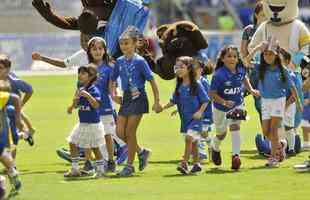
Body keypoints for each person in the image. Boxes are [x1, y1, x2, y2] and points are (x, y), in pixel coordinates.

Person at [110, 26, 162, 176]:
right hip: (126, 98)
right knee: (120, 133)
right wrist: (113, 94)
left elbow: (152, 81)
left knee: (130, 132)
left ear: (134, 44)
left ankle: (129, 166)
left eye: (127, 43)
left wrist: (157, 101)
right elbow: (112, 80)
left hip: (139, 97)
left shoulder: (140, 62)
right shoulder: (119, 62)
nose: (124, 46)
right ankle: (141, 152)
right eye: (121, 44)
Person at [209, 45, 259, 170]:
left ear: (238, 59)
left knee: (235, 127)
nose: (232, 59)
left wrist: (251, 90)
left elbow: (244, 78)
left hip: (237, 105)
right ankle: (214, 147)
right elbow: (212, 94)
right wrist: (224, 102)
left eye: (235, 56)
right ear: (223, 59)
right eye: (229, 56)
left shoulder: (241, 69)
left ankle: (236, 156)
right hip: (220, 108)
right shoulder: (218, 75)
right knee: (221, 134)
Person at [250, 39, 297, 167]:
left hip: (278, 101)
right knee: (266, 132)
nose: (267, 56)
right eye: (265, 54)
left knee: (273, 130)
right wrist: (257, 48)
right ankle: (281, 145)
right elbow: (246, 61)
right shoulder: (260, 67)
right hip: (265, 101)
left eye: (270, 54)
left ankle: (273, 158)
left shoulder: (282, 70)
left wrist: (297, 103)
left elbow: (292, 88)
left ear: (276, 55)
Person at [160, 56, 209, 174]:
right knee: (194, 142)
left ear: (189, 69)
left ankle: (184, 163)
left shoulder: (196, 84)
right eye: (176, 67)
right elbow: (174, 101)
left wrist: (200, 112)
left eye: (181, 67)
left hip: (196, 120)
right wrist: (162, 107)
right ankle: (197, 164)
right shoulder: (179, 86)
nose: (178, 70)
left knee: (189, 139)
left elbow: (205, 100)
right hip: (185, 120)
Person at [65, 65, 106, 178]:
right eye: (79, 73)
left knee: (95, 147)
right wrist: (72, 105)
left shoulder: (93, 90)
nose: (80, 75)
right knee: (72, 142)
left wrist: (88, 96)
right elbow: (77, 104)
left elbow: (96, 105)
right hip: (82, 123)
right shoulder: (80, 88)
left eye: (83, 73)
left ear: (90, 76)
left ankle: (101, 170)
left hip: (93, 124)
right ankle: (75, 169)